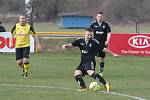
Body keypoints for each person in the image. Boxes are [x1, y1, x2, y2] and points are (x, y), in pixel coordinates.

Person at [62, 28, 110, 92]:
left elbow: (103, 49)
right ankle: (83, 87)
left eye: (91, 35)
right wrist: (66, 46)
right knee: (77, 74)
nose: (89, 36)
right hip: (83, 62)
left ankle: (105, 83)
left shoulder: (94, 42)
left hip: (90, 61)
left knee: (90, 73)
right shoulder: (80, 41)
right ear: (84, 34)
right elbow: (71, 45)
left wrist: (113, 53)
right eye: (88, 35)